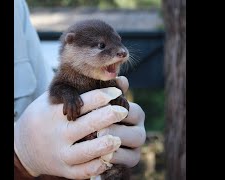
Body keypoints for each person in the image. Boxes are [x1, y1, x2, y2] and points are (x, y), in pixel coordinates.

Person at [14, 0, 146, 179]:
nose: (122, 52)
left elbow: (43, 103)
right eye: (101, 46)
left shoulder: (17, 7)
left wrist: (123, 112)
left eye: (119, 42)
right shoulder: (66, 77)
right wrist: (21, 154)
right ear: (71, 44)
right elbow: (56, 91)